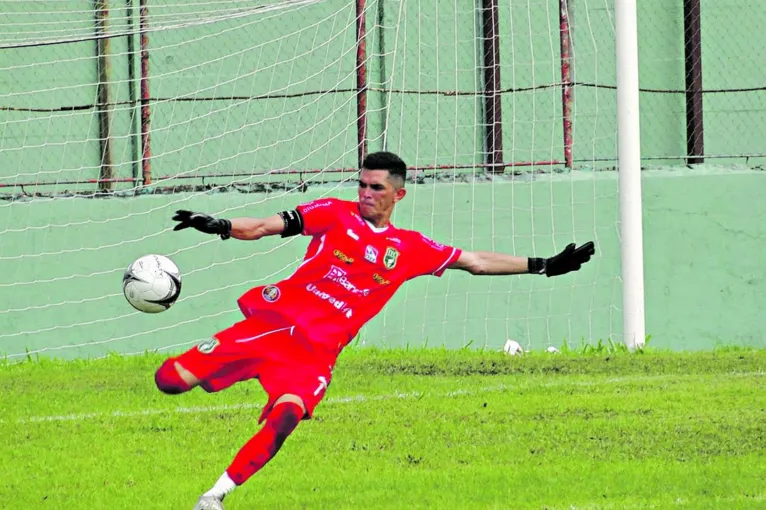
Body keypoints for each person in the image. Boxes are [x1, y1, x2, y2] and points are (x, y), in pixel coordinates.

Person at [155, 151, 595, 510]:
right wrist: (222, 226)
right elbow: (266, 227)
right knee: (169, 381)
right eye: (362, 185)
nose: (366, 194)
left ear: (398, 194)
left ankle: (215, 496)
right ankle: (223, 376)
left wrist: (543, 265)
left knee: (287, 415)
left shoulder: (410, 249)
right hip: (271, 327)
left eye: (376, 187)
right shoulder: (332, 214)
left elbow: (475, 261)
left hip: (314, 355)